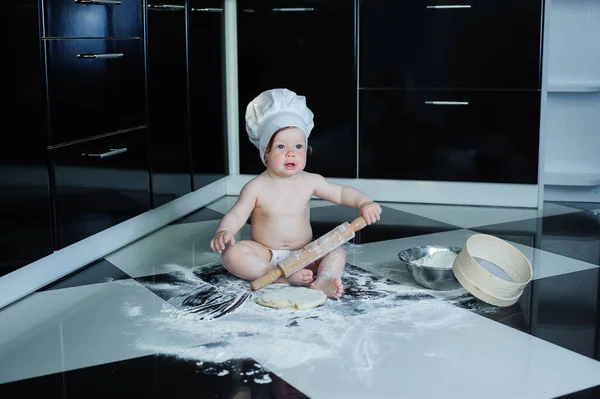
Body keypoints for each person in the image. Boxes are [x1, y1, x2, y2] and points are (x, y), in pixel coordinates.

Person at [210, 88, 382, 299]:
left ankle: (324, 279)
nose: (291, 152)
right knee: (232, 255)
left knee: (337, 251)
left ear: (307, 151)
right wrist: (225, 230)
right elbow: (237, 214)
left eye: (298, 146)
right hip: (266, 253)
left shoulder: (310, 181)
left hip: (306, 252)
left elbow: (341, 193)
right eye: (281, 146)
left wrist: (364, 202)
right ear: (265, 152)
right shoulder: (256, 186)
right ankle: (276, 275)